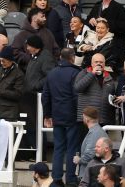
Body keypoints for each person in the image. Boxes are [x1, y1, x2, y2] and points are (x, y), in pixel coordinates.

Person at [43, 48, 82, 185]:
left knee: (58, 148)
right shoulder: (75, 73)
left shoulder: (51, 74)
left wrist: (47, 115)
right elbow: (77, 96)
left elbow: (45, 96)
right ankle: (71, 179)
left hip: (57, 115)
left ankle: (57, 179)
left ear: (60, 57)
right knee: (72, 148)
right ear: (72, 58)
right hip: (72, 116)